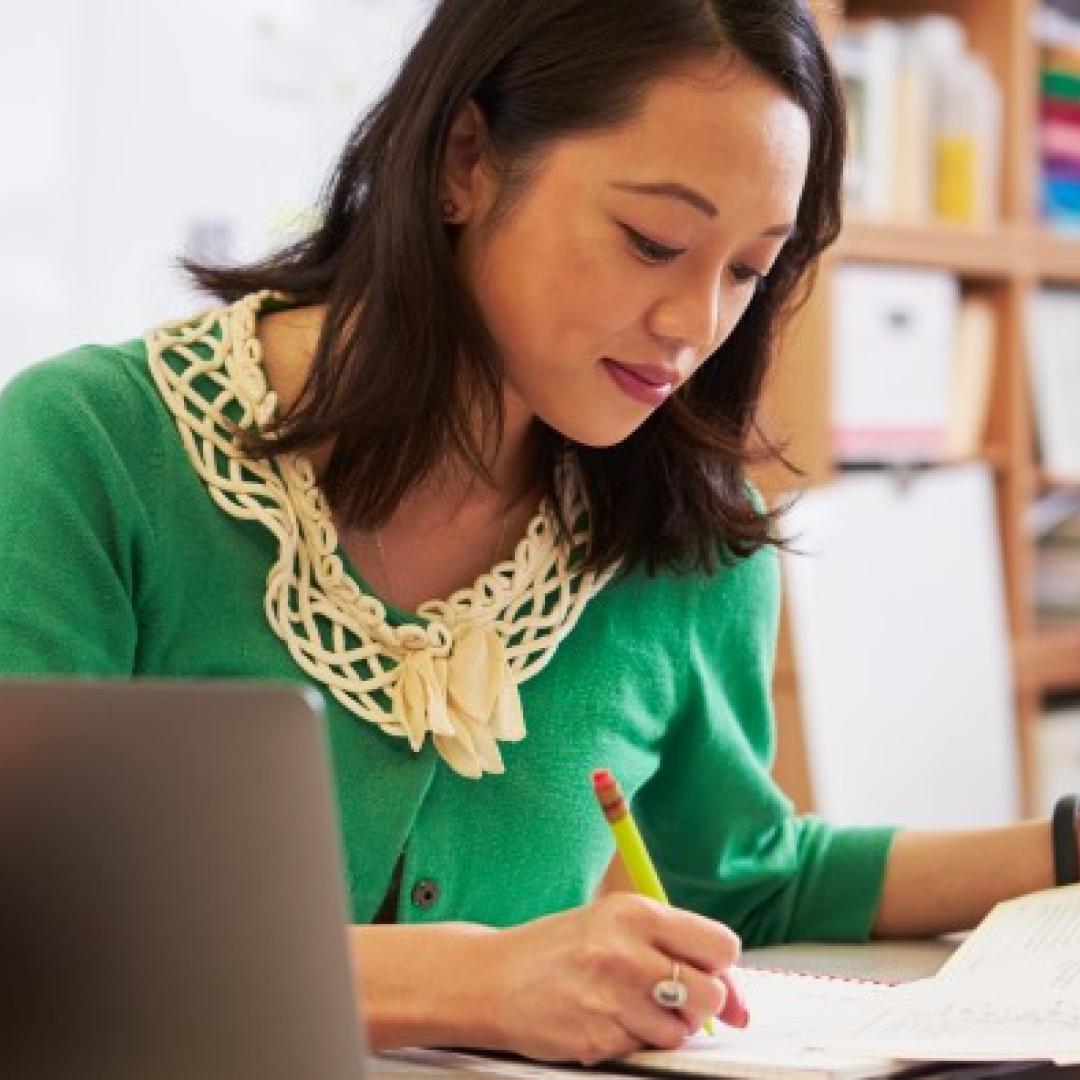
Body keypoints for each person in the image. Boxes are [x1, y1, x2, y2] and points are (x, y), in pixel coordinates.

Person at [0, 0, 1065, 1066]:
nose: (695, 324)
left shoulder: (687, 541)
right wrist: (470, 984)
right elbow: (34, 923)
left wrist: (1062, 845)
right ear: (465, 160)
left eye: (748, 270)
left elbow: (747, 874)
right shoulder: (91, 451)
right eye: (654, 241)